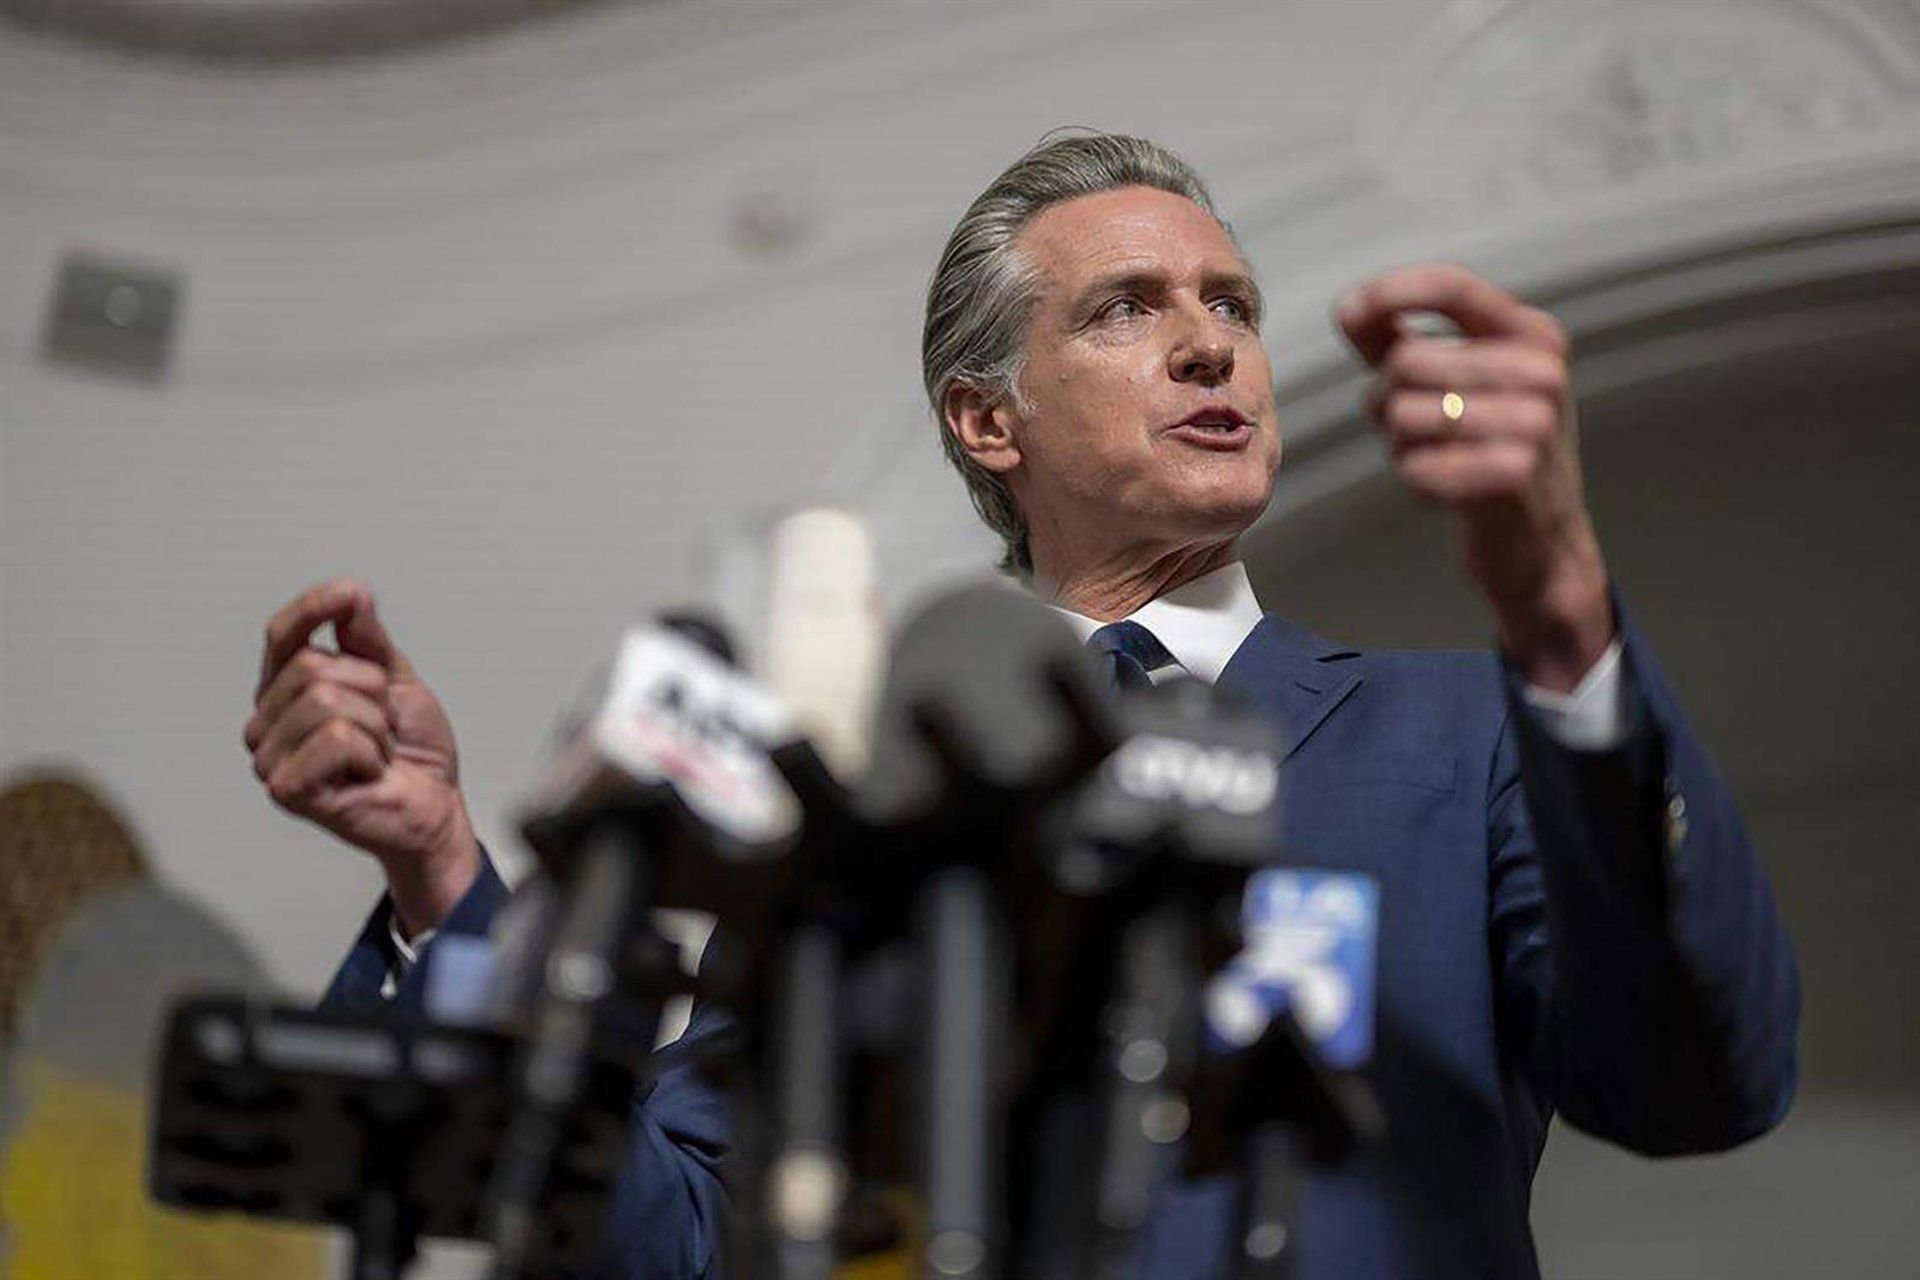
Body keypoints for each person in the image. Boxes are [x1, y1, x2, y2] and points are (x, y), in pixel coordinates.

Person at [245, 132, 1798, 1280]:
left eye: (1232, 303)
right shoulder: (863, 807)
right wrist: (439, 870)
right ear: (988, 419)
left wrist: (1564, 616)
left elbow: (1697, 1076)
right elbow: (686, 1237)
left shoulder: (1463, 738)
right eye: (1127, 308)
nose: (1211, 342)